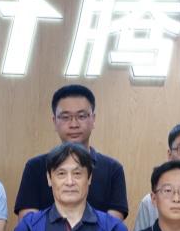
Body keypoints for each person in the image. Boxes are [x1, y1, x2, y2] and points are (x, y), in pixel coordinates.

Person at [13, 84, 127, 220]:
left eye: (82, 116)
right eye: (65, 117)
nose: (74, 124)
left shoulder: (113, 169)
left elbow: (113, 226)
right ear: (54, 121)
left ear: (93, 120)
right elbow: (27, 224)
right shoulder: (35, 167)